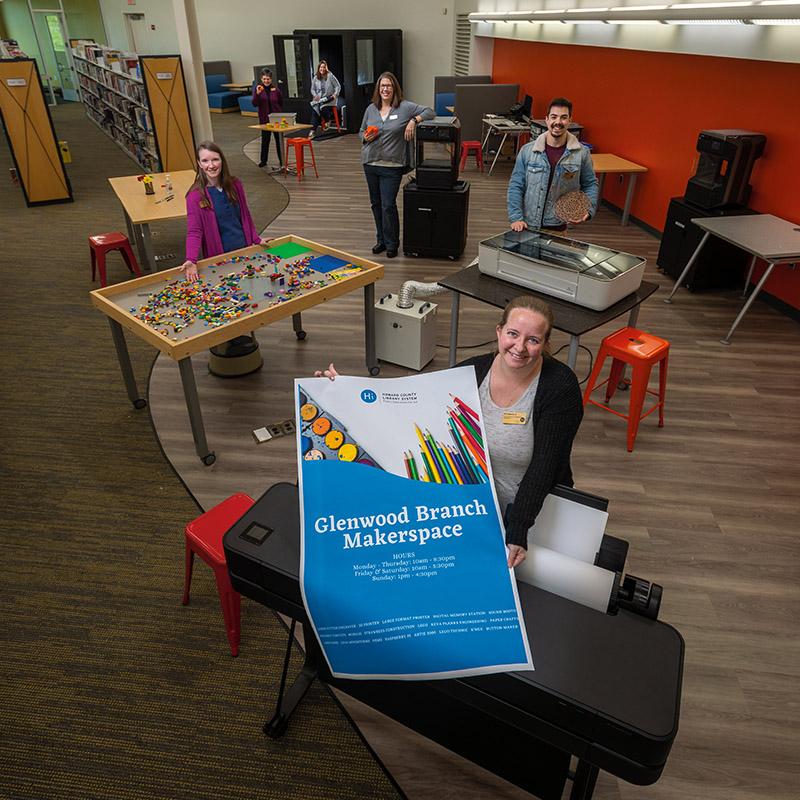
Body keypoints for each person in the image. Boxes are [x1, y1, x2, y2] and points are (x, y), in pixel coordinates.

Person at [315, 295, 583, 568]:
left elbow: (544, 467)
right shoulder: (471, 371)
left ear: (545, 344)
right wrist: (341, 394)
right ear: (499, 331)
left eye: (533, 340)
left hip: (531, 516)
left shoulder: (560, 387)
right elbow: (406, 412)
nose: (520, 347)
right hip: (467, 511)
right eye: (513, 334)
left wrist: (518, 529)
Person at [360, 71, 434, 258]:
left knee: (388, 205)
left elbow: (430, 111)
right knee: (375, 204)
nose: (385, 89)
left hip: (392, 166)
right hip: (370, 162)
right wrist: (365, 137)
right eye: (382, 86)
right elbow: (361, 131)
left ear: (395, 89)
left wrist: (413, 121)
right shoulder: (371, 109)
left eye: (389, 86)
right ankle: (381, 241)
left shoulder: (405, 107)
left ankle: (392, 243)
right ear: (378, 88)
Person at [508, 97, 599, 233]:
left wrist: (588, 209)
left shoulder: (582, 154)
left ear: (570, 121)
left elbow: (590, 184)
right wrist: (516, 217)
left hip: (558, 226)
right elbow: (516, 185)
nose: (558, 122)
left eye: (563, 117)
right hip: (526, 224)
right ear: (547, 120)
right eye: (554, 117)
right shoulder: (527, 151)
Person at [180, 141, 263, 282]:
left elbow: (245, 215)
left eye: (215, 159)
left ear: (222, 161)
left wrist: (256, 239)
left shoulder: (235, 184)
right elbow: (194, 231)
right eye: (205, 161)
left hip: (244, 250)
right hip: (220, 257)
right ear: (199, 164)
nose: (211, 165)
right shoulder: (195, 196)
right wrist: (191, 259)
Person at [251, 69, 284, 168]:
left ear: (271, 79)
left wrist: (278, 113)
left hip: (276, 120)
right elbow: (254, 104)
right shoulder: (259, 89)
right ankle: (263, 160)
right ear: (261, 79)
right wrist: (257, 94)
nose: (266, 81)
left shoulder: (276, 90)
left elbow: (281, 102)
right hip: (265, 120)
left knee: (279, 140)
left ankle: (282, 160)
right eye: (264, 79)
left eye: (268, 79)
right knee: (265, 140)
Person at [309, 60, 341, 139]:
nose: (322, 69)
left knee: (322, 107)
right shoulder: (316, 77)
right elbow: (312, 89)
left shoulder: (330, 76)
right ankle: (312, 131)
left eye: (324, 67)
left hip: (330, 98)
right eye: (321, 67)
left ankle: (327, 120)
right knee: (315, 110)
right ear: (318, 68)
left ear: (326, 68)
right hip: (319, 99)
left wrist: (335, 94)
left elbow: (338, 86)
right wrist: (315, 95)